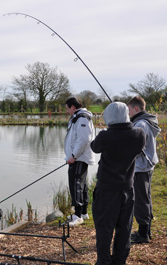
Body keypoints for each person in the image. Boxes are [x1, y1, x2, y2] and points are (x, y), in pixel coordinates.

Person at [90, 102, 145, 265]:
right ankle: (119, 261)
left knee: (104, 229)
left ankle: (104, 261)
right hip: (128, 189)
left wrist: (108, 130)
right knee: (124, 228)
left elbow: (94, 147)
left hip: (106, 190)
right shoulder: (139, 134)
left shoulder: (105, 136)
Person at [127, 96, 161, 244]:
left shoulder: (141, 123)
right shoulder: (146, 121)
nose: (127, 113)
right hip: (146, 165)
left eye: (129, 110)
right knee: (145, 198)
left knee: (141, 200)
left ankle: (143, 234)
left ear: (136, 109)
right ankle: (146, 230)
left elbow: (135, 146)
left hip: (141, 167)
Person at [64, 97, 95, 227]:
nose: (66, 111)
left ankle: (77, 216)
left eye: (67, 108)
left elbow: (83, 139)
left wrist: (73, 156)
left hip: (78, 158)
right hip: (78, 158)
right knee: (81, 185)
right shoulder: (78, 117)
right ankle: (83, 213)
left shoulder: (82, 118)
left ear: (73, 107)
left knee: (75, 184)